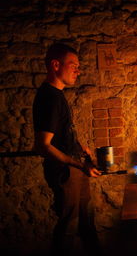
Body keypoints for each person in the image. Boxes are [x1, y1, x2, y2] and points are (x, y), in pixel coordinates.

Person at [32, 43, 102, 255]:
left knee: (86, 220)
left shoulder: (58, 95)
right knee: (69, 225)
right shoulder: (50, 98)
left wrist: (81, 148)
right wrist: (79, 164)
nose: (78, 71)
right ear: (55, 65)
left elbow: (63, 131)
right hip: (66, 171)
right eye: (73, 65)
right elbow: (43, 146)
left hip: (76, 168)